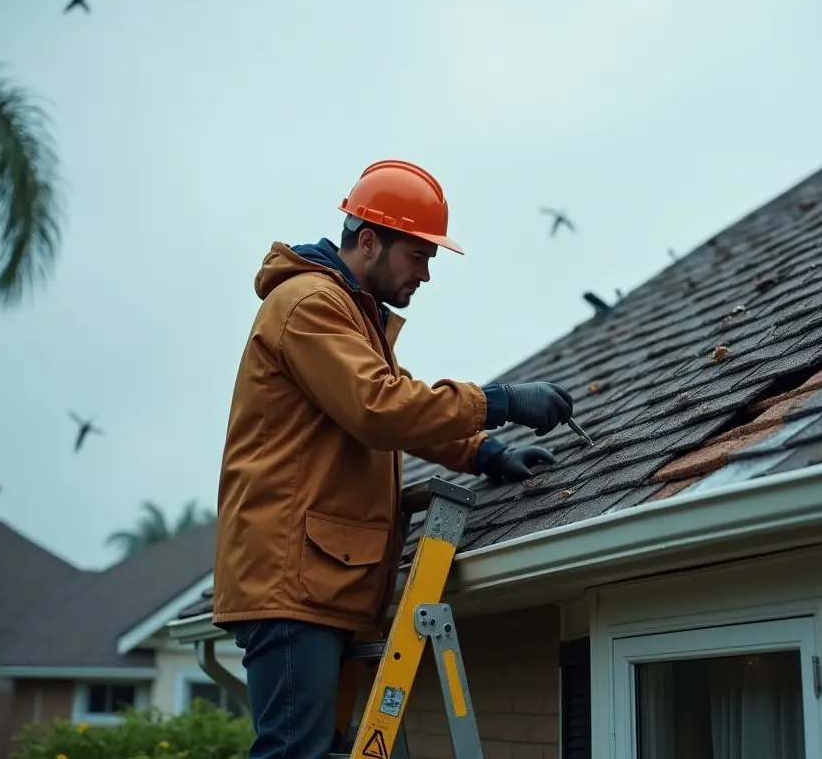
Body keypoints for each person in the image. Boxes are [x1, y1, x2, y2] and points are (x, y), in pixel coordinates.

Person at [212, 159, 574, 758]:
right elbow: (380, 407)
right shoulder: (309, 305)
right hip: (292, 579)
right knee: (294, 753)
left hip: (320, 580)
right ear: (371, 241)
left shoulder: (349, 314)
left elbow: (397, 407)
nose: (427, 274)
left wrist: (486, 453)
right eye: (418, 256)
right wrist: (500, 402)